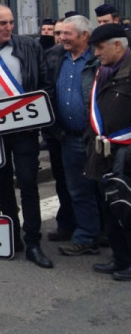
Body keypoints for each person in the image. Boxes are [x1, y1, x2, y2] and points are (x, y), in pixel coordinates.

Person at [0, 4, 53, 269]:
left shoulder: (29, 47)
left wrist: (36, 116)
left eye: (11, 22)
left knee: (28, 182)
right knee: (2, 185)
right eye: (2, 23)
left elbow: (44, 84)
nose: (8, 28)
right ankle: (12, 235)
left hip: (25, 130)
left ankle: (34, 242)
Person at [45, 15, 100, 256]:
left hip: (95, 137)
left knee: (101, 187)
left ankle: (105, 234)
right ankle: (86, 236)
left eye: (67, 34)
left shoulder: (98, 60)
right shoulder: (57, 57)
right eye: (60, 33)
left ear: (85, 36)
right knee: (76, 189)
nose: (61, 38)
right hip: (67, 138)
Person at [84, 24, 131, 280]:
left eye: (100, 48)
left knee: (128, 207)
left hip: (127, 153)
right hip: (105, 153)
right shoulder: (104, 72)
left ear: (117, 46)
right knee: (112, 208)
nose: (96, 53)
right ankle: (120, 258)